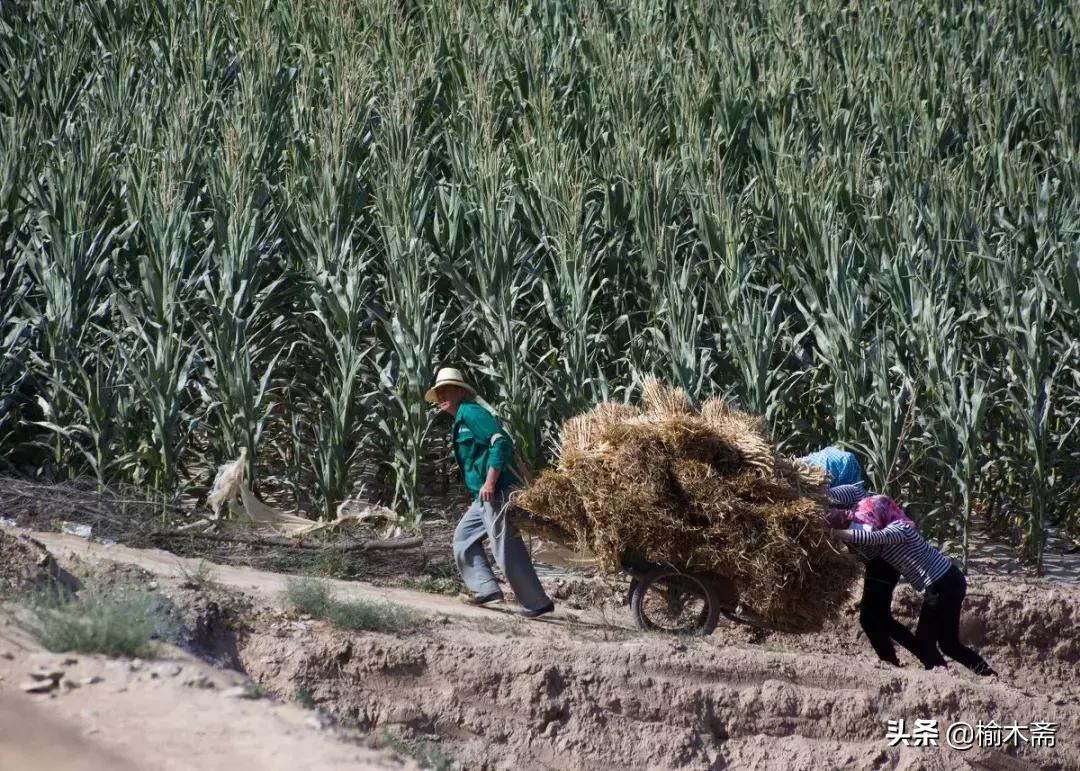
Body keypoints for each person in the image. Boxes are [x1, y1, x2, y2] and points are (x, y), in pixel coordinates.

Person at [425, 367, 555, 619]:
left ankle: (537, 602)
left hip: (495, 493)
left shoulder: (472, 413)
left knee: (505, 548)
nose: (441, 396)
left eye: (446, 390)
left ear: (460, 391)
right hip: (482, 498)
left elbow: (500, 442)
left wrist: (490, 482)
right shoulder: (460, 419)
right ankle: (486, 589)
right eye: (438, 392)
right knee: (463, 539)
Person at [828, 495, 996, 677]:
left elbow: (870, 537)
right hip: (949, 582)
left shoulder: (899, 529)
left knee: (925, 642)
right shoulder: (893, 528)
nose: (869, 523)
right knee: (948, 644)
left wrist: (833, 532)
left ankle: (941, 678)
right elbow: (862, 538)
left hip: (941, 584)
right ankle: (988, 676)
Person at [802, 447, 924, 668]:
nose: (822, 474)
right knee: (875, 619)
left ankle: (923, 658)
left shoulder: (850, 491)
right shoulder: (849, 490)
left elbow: (821, 497)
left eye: (825, 471)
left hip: (884, 563)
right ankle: (904, 660)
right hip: (878, 563)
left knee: (872, 619)